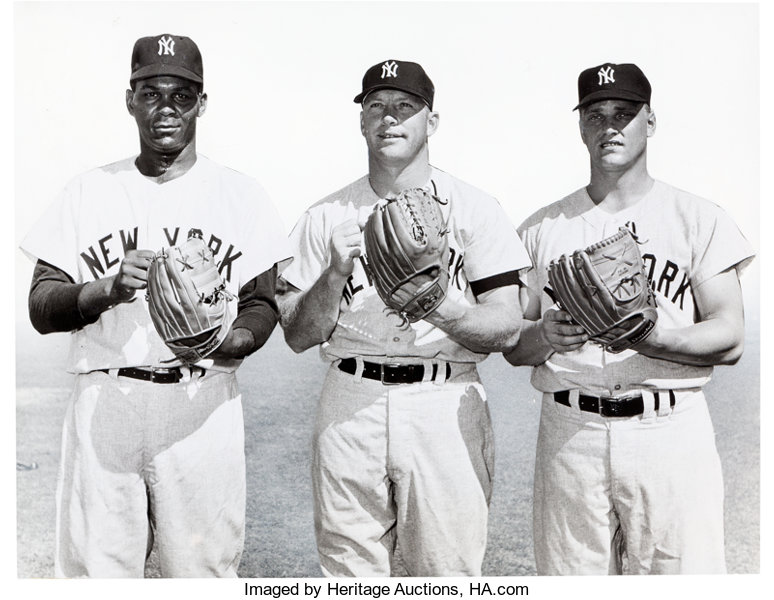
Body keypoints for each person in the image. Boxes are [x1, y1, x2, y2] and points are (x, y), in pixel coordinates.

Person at [20, 34, 291, 577]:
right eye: (151, 93)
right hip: (107, 398)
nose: (166, 108)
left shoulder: (241, 195)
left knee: (203, 573)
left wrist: (227, 341)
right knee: (95, 576)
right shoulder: (87, 190)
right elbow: (41, 305)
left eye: (182, 95)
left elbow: (262, 305)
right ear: (130, 101)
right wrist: (105, 290)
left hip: (202, 400)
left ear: (202, 103)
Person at [276, 59, 529, 576]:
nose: (389, 118)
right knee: (349, 574)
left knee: (446, 571)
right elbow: (298, 336)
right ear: (362, 121)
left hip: (443, 397)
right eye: (376, 107)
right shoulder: (324, 215)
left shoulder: (475, 208)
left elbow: (506, 326)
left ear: (430, 122)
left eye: (405, 107)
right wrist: (332, 274)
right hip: (350, 398)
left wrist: (441, 307)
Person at [504, 62, 754, 575]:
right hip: (570, 431)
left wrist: (653, 337)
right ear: (580, 127)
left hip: (669, 429)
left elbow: (730, 337)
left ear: (650, 122)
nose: (609, 126)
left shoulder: (696, 217)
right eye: (595, 115)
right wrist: (544, 335)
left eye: (623, 113)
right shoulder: (540, 228)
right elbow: (514, 346)